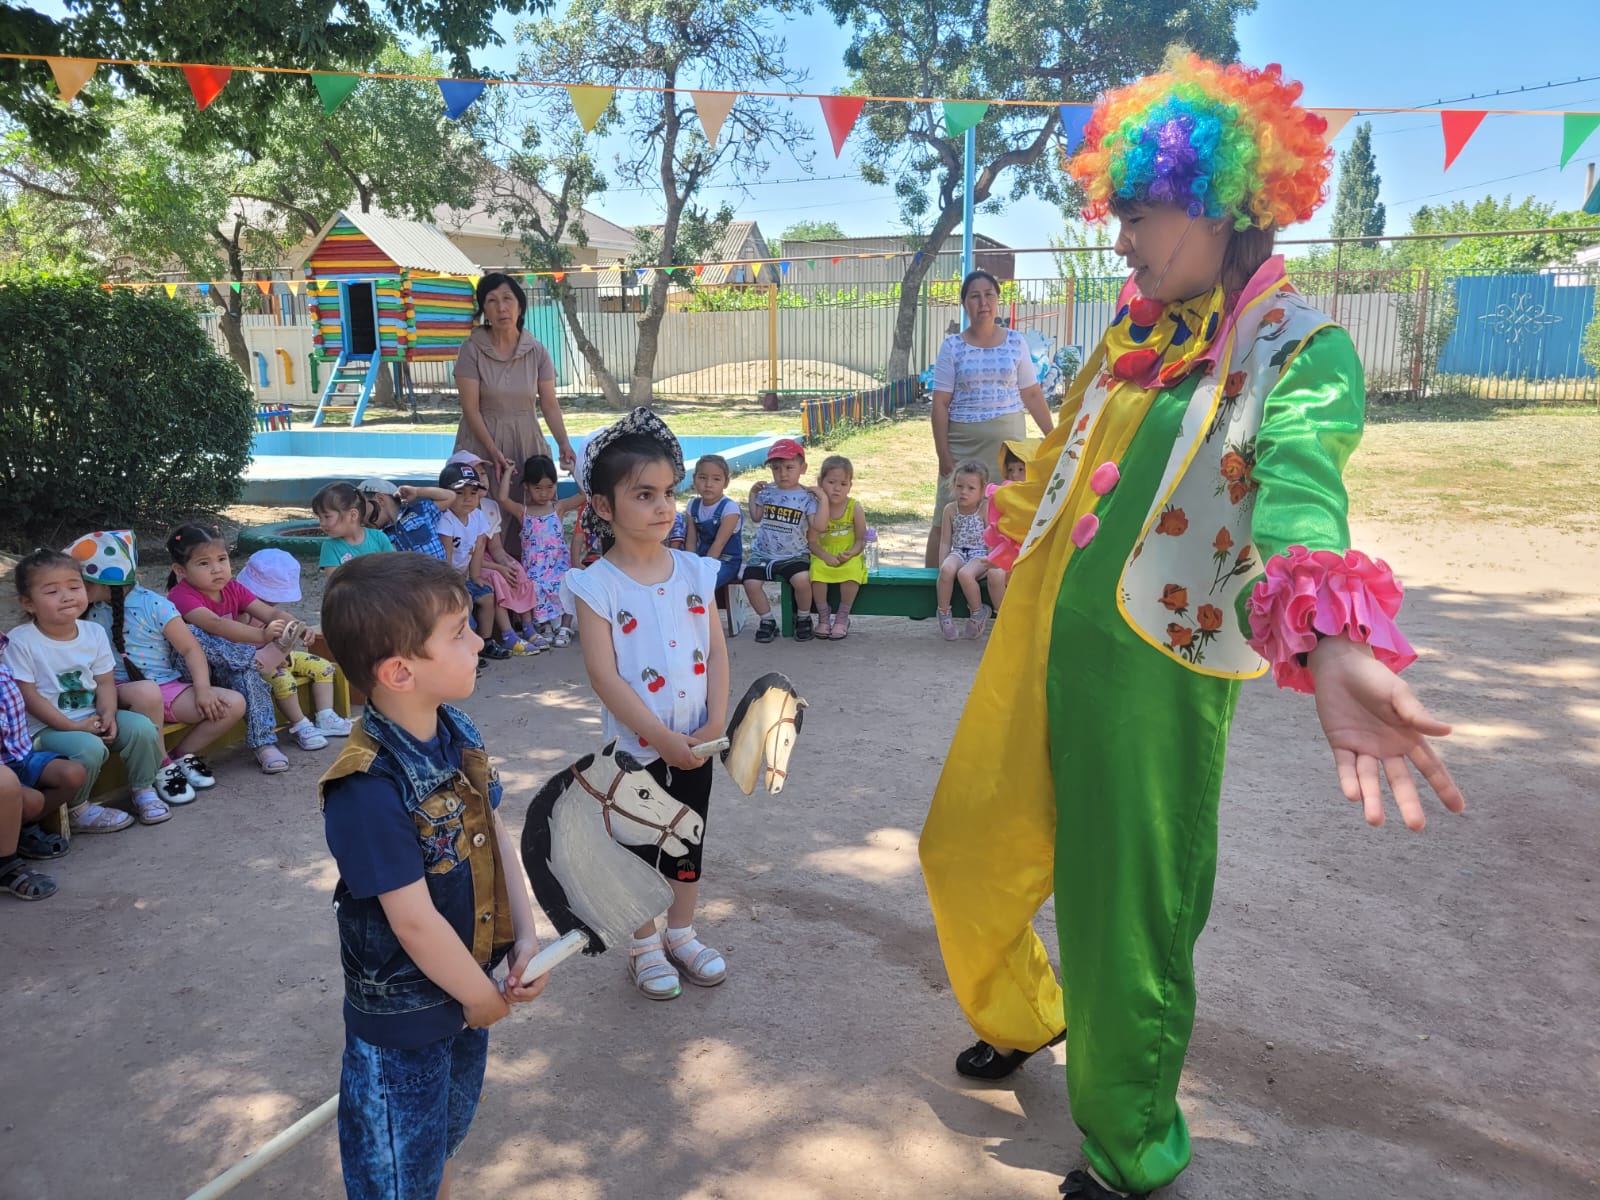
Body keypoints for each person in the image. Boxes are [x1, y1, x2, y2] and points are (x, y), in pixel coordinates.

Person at [918, 56, 1467, 1200]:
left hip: (1154, 669)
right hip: (1037, 637)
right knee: (962, 848)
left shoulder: (1296, 348)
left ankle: (1130, 1149)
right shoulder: (1136, 332)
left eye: (1137, 209)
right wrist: (1003, 520)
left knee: (1128, 912)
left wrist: (1331, 638)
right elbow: (1062, 461)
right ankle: (1027, 1013)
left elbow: (1298, 484)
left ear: (1218, 200)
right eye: (1115, 208)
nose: (1118, 235)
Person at [317, 551, 548, 1200]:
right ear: (399, 671)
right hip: (407, 1027)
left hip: (468, 994)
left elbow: (496, 832)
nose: (479, 639)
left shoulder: (456, 731)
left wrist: (524, 937)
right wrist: (478, 997)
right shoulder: (366, 788)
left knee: (437, 1143)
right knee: (395, 1175)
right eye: (459, 632)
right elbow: (412, 921)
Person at [561, 408, 731, 1001]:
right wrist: (659, 739)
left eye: (668, 493)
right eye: (643, 494)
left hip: (698, 743)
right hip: (636, 751)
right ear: (603, 507)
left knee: (689, 840)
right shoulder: (595, 584)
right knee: (636, 848)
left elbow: (716, 649)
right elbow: (604, 677)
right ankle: (643, 943)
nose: (664, 507)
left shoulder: (695, 571)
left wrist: (715, 721)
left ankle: (681, 932)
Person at [72, 529, 246, 806]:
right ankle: (161, 765)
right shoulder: (85, 611)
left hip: (167, 688)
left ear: (106, 583)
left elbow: (191, 648)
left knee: (233, 702)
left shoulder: (155, 605)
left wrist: (202, 690)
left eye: (80, 583)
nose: (75, 591)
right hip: (116, 691)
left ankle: (180, 756)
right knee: (146, 692)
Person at [7, 549, 167, 829]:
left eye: (74, 586)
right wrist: (73, 727)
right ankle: (79, 808)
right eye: (52, 591)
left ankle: (143, 789)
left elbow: (105, 682)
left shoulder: (93, 632)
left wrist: (107, 713)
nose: (67, 596)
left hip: (91, 716)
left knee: (141, 728)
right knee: (89, 747)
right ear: (28, 603)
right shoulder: (21, 641)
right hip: (45, 729)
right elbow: (28, 697)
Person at [924, 270, 1055, 567]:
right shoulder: (952, 347)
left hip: (1007, 447)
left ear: (997, 300)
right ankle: (927, 588)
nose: (983, 302)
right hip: (961, 445)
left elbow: (1032, 394)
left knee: (1006, 516)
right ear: (964, 303)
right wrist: (943, 455)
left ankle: (1000, 589)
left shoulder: (1015, 342)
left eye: (989, 295)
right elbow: (940, 403)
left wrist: (1055, 436)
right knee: (945, 515)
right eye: (974, 296)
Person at [163, 524, 309, 774]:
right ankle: (257, 659)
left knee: (250, 678)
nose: (217, 569)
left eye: (222, 559)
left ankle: (264, 744)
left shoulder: (232, 587)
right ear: (180, 570)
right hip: (193, 671)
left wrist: (294, 624)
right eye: (204, 563)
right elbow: (215, 625)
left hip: (231, 665)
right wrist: (261, 635)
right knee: (196, 633)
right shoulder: (180, 595)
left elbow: (270, 611)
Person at [453, 272, 577, 557]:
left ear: (520, 305)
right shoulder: (471, 350)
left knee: (529, 509)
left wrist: (563, 443)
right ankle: (487, 589)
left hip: (526, 440)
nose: (501, 308)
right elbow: (470, 408)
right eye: (492, 301)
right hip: (480, 442)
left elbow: (549, 403)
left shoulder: (537, 352)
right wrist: (493, 452)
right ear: (483, 309)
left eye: (507, 299)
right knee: (483, 511)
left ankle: (530, 585)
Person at [235, 549, 355, 740]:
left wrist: (301, 630)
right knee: (285, 681)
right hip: (256, 662)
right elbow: (236, 647)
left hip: (279, 655)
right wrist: (274, 652)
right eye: (268, 596)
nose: (273, 602)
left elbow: (284, 622)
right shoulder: (243, 612)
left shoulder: (269, 607)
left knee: (323, 667)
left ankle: (325, 716)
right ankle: (300, 724)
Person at [0, 628, 85, 870]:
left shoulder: (3, 645)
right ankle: (10, 848)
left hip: (19, 755)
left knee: (73, 773)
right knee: (33, 801)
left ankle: (17, 830)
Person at [447, 451, 541, 649]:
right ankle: (507, 634)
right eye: (476, 474)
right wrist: (498, 568)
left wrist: (505, 563)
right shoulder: (451, 516)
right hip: (475, 564)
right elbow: (470, 553)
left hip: (486, 557)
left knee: (517, 570)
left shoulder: (489, 507)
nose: (482, 478)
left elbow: (495, 546)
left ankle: (527, 625)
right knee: (496, 579)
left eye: (483, 474)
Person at [739, 439, 828, 644]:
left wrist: (822, 499)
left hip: (794, 554)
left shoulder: (807, 497)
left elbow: (820, 525)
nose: (783, 473)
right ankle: (767, 620)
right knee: (750, 582)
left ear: (802, 468)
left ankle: (803, 617)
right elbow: (756, 516)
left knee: (802, 581)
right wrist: (752, 495)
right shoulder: (768, 491)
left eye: (789, 467)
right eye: (776, 468)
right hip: (763, 553)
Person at [496, 454, 584, 649]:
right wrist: (509, 471)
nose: (544, 493)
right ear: (526, 486)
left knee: (567, 586)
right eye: (538, 488)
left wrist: (573, 470)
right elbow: (502, 498)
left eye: (549, 487)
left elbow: (583, 495)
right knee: (534, 589)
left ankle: (565, 626)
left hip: (559, 564)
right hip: (535, 568)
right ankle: (543, 626)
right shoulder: (523, 512)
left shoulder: (558, 508)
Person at [435, 462, 517, 660]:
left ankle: (486, 642)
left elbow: (479, 547)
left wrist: (476, 575)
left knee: (487, 596)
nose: (468, 499)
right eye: (460, 493)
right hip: (444, 579)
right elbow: (445, 556)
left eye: (473, 493)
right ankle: (463, 648)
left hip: (465, 575)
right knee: (467, 602)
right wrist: (454, 583)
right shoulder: (445, 519)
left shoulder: (478, 516)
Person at [806, 454, 868, 641]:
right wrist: (825, 556)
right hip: (822, 552)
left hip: (848, 553)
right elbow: (813, 542)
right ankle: (823, 616)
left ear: (850, 485)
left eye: (843, 484)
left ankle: (842, 617)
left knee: (851, 572)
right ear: (820, 482)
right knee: (817, 572)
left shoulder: (854, 507)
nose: (837, 488)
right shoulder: (815, 507)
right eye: (831, 482)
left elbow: (860, 539)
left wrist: (852, 553)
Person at [934, 460, 998, 641]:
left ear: (982, 490)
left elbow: (992, 537)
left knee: (965, 574)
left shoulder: (984, 508)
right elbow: (945, 541)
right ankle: (944, 613)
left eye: (971, 488)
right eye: (959, 486)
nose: (964, 492)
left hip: (980, 554)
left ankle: (978, 612)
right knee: (946, 570)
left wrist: (992, 559)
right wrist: (942, 563)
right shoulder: (950, 510)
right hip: (959, 552)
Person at [977, 439, 1042, 612]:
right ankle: (1002, 615)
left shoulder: (1042, 496)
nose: (1014, 475)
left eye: (1021, 470)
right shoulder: (1003, 496)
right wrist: (995, 556)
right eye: (1011, 470)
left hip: (1031, 556)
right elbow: (995, 530)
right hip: (1006, 554)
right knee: (994, 574)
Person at [356, 478, 454, 562]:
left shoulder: (420, 512)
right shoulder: (379, 537)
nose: (361, 519)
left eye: (363, 508)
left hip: (441, 578)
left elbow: (450, 496)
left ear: (380, 499)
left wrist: (417, 491)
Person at [687, 454, 744, 592]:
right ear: (694, 479)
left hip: (726, 561)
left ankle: (705, 612)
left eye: (716, 479)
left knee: (703, 583)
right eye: (702, 478)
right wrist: (689, 564)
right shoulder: (692, 505)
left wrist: (702, 570)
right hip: (701, 558)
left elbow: (720, 543)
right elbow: (691, 540)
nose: (708, 484)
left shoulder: (729, 508)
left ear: (725, 482)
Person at [315, 482, 394, 574]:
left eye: (327, 517)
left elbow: (393, 568)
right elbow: (335, 581)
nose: (322, 523)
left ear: (353, 515)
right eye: (320, 518)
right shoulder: (330, 546)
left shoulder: (379, 538)